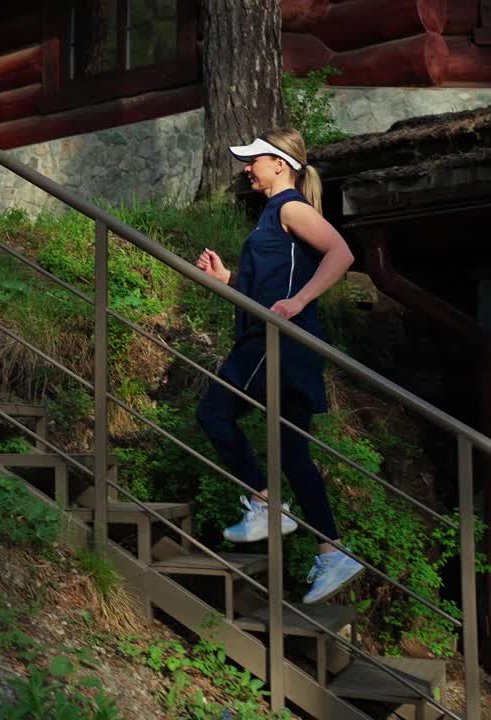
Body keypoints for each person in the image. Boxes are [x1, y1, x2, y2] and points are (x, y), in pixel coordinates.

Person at [193, 128, 364, 604]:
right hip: (284, 341)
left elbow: (342, 253)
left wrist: (298, 301)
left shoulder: (290, 208)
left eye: (255, 161)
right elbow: (264, 291)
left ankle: (266, 506)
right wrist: (226, 279)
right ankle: (333, 554)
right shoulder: (273, 215)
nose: (247, 168)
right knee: (291, 453)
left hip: (276, 342)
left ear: (280, 164)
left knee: (213, 414)